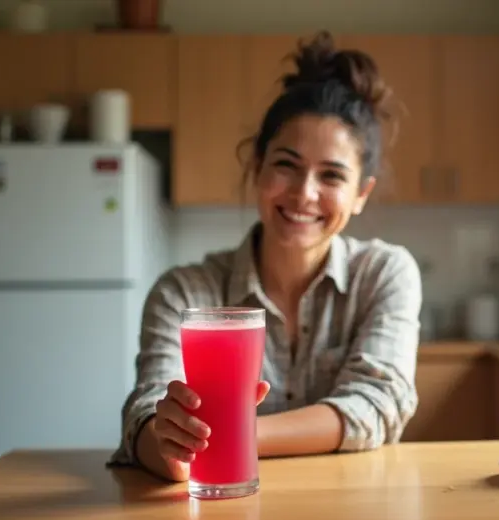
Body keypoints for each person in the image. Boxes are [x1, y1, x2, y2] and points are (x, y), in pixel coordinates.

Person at [109, 31, 422, 482]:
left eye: (331, 176)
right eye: (286, 165)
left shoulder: (385, 273)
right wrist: (170, 443)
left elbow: (376, 404)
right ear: (256, 166)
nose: (304, 194)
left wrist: (231, 436)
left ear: (361, 194)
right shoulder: (184, 292)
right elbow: (145, 414)